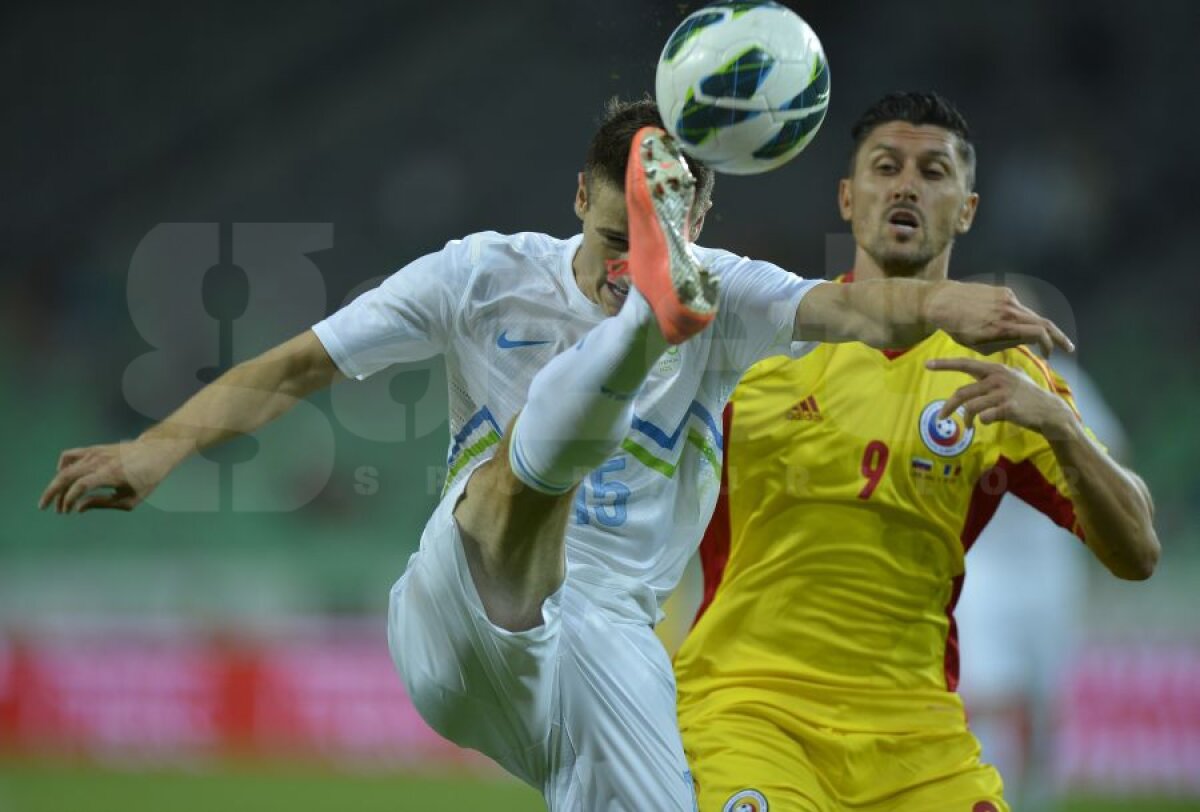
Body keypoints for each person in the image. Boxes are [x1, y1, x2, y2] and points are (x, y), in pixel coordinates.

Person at [39, 97, 1071, 811]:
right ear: (580, 197)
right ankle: (636, 345)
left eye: (662, 239)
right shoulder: (479, 276)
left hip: (602, 650)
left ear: (699, 220)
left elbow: (859, 308)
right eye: (624, 232)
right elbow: (302, 364)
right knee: (522, 482)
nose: (632, 255)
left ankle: (636, 348)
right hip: (461, 608)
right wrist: (154, 448)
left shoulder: (736, 288)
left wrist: (942, 299)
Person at [672, 91, 1160, 812]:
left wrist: (1060, 427)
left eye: (934, 171)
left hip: (915, 741)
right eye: (886, 166)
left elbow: (1138, 552)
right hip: (749, 711)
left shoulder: (1010, 376)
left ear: (965, 208)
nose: (907, 185)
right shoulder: (757, 343)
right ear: (848, 197)